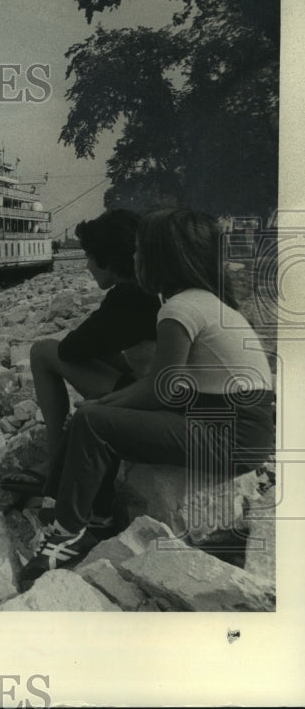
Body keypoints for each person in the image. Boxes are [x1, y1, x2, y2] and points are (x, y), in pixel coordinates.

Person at [20, 209, 275, 584]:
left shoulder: (179, 309)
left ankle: (68, 530)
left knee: (92, 420)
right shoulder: (203, 298)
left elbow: (161, 388)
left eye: (140, 251)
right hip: (231, 423)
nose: (133, 257)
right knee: (97, 418)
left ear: (161, 259)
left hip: (231, 433)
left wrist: (102, 406)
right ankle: (96, 511)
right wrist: (108, 406)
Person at [1, 210, 161, 529]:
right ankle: (57, 459)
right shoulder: (148, 289)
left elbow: (70, 349)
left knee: (42, 351)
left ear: (109, 258)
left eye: (90, 256)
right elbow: (98, 346)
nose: (86, 266)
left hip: (147, 403)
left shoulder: (126, 298)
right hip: (156, 391)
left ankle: (55, 460)